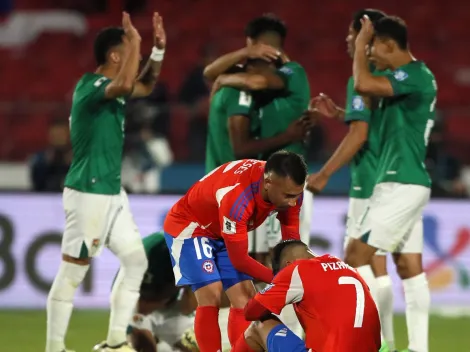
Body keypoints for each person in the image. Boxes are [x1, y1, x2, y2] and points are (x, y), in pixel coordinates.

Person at [46, 12, 166, 352]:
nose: (137, 57)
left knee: (135, 261)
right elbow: (128, 83)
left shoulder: (112, 92)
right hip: (88, 192)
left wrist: (156, 51)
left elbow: (144, 85)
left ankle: (115, 342)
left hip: (112, 193)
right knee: (73, 274)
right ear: (116, 56)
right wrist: (137, 40)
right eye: (131, 52)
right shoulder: (89, 87)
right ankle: (54, 348)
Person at [204, 15, 313, 337]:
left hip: (283, 187)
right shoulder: (250, 86)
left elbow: (253, 81)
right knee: (252, 261)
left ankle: (281, 331)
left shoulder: (291, 72)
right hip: (257, 187)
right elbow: (211, 74)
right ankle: (259, 332)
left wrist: (226, 79)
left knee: (280, 257)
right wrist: (239, 60)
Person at [307, 9, 397, 351]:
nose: (347, 41)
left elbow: (359, 135)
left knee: (358, 261)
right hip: (390, 179)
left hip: (367, 182)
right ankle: (386, 341)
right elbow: (370, 126)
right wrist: (342, 114)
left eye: (351, 35)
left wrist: (324, 173)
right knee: (377, 263)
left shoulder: (361, 77)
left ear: (364, 36)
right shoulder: (390, 76)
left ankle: (370, 341)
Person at [347, 16, 436, 352]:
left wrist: (358, 46)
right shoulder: (405, 82)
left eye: (372, 47)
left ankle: (377, 345)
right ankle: (417, 348)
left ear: (388, 44)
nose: (370, 54)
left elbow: (363, 84)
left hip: (402, 183)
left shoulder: (415, 75)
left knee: (357, 254)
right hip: (401, 181)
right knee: (407, 265)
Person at [164, 151, 308, 352]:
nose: (293, 202)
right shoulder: (238, 198)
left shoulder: (288, 191)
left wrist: (301, 273)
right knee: (211, 293)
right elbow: (240, 260)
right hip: (191, 227)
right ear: (268, 183)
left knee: (245, 297)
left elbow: (291, 244)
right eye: (288, 196)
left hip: (223, 231)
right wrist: (280, 279)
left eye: (297, 194)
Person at [231, 240, 381, 352]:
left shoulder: (298, 269)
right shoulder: (349, 269)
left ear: (288, 264)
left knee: (259, 325)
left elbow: (251, 311)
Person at [102, 232, 199, 352]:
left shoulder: (197, 256)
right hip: (136, 301)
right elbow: (140, 306)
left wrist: (191, 284)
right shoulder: (149, 254)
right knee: (143, 344)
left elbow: (188, 308)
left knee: (193, 343)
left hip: (167, 304)